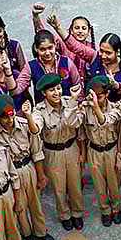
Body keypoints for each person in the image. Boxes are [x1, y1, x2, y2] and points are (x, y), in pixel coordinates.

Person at [0, 95, 55, 240]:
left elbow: (36, 152)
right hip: (10, 174)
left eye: (11, 114)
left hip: (28, 167)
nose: (9, 119)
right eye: (4, 118)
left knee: (35, 202)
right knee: (19, 205)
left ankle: (41, 231)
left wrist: (41, 175)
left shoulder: (25, 124)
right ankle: (26, 233)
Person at [31, 73, 87, 230]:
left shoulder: (70, 102)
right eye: (51, 90)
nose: (56, 93)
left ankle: (77, 212)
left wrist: (82, 152)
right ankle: (64, 214)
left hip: (71, 148)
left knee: (75, 184)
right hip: (52, 152)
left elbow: (75, 124)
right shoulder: (39, 110)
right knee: (59, 186)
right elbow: (35, 129)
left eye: (58, 88)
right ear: (43, 93)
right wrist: (29, 117)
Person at [83, 75, 121, 227]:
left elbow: (120, 135)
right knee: (99, 186)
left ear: (107, 94)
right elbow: (79, 130)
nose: (95, 100)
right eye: (93, 96)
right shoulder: (86, 110)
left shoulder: (116, 109)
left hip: (112, 149)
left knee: (114, 185)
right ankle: (105, 210)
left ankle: (116, 208)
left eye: (99, 97)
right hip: (94, 151)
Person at [15, 30, 83, 104]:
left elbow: (78, 86)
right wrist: (8, 71)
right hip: (43, 111)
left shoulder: (66, 62)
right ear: (36, 48)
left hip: (68, 108)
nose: (47, 53)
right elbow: (17, 90)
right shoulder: (31, 66)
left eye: (50, 48)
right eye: (42, 49)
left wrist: (79, 105)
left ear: (55, 45)